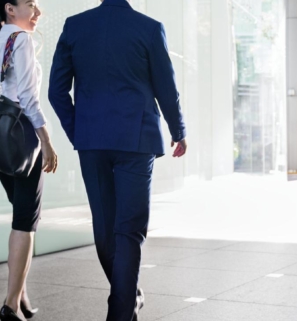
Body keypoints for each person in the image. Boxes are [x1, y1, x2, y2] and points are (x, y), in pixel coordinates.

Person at [47, 0, 187, 320]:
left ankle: (124, 301)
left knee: (105, 228)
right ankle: (122, 306)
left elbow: (57, 92)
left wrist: (78, 132)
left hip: (92, 141)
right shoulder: (149, 29)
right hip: (136, 140)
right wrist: (178, 130)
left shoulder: (74, 26)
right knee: (129, 230)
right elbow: (167, 88)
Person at [0, 1, 58, 320]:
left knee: (21, 217)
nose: (37, 12)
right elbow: (29, 98)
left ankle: (20, 294)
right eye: (30, 5)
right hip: (23, 140)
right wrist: (47, 142)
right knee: (25, 223)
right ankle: (11, 305)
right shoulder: (22, 40)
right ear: (10, 8)